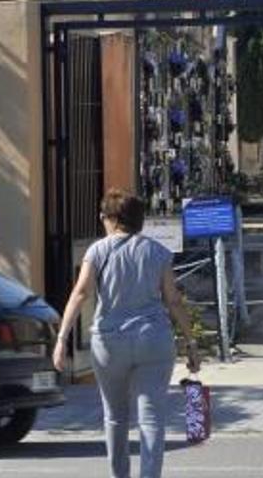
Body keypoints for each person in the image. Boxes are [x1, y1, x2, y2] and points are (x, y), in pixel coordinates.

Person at [53, 188, 200, 478]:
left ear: (111, 219)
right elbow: (173, 300)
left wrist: (61, 339)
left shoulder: (98, 251)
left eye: (103, 216)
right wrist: (191, 341)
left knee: (115, 416)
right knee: (151, 418)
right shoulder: (158, 252)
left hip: (109, 342)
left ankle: (119, 474)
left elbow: (81, 293)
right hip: (153, 340)